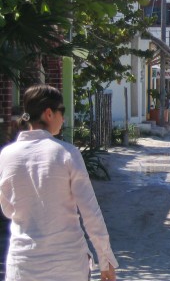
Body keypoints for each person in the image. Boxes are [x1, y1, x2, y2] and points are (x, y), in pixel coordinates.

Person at [0, 84, 118, 281]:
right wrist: (105, 258)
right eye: (61, 112)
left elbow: (8, 209)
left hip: (23, 265)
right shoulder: (66, 153)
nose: (63, 119)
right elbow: (90, 211)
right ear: (48, 113)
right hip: (68, 265)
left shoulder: (6, 156)